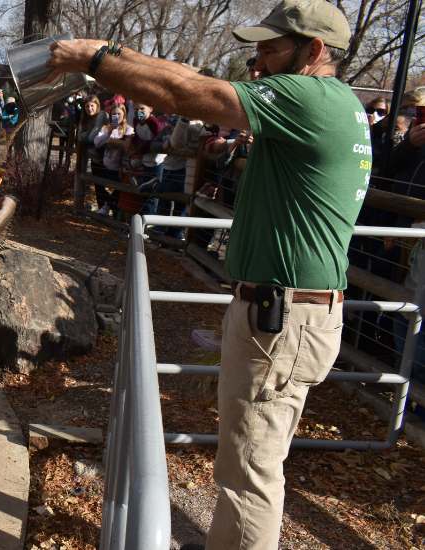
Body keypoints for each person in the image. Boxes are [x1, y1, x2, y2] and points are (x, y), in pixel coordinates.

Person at [47, 2, 368, 549]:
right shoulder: (329, 100)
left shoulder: (307, 97)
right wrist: (114, 53)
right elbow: (190, 79)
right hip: (287, 314)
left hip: (282, 318)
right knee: (249, 462)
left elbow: (186, 96)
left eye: (269, 48)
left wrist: (96, 58)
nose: (256, 62)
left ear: (313, 51)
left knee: (249, 474)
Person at [92, 103, 134, 216]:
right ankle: (105, 207)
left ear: (124, 114)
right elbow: (97, 142)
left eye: (119, 114)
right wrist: (109, 133)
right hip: (105, 165)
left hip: (120, 168)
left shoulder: (128, 129)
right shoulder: (106, 128)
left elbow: (127, 146)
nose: (116, 116)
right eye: (113, 114)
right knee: (98, 183)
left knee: (120, 189)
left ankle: (109, 207)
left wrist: (111, 141)